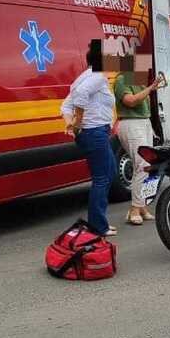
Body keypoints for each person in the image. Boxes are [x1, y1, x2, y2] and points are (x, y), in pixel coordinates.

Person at [61, 46, 117, 237]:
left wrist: (71, 124)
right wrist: (78, 120)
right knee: (102, 178)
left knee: (110, 172)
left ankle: (99, 222)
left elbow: (65, 105)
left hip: (93, 132)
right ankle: (98, 226)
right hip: (95, 133)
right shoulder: (97, 77)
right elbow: (81, 95)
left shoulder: (84, 76)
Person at [114, 69, 163, 225]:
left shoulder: (137, 79)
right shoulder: (122, 79)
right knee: (141, 164)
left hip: (143, 123)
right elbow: (130, 101)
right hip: (131, 123)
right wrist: (151, 88)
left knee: (145, 165)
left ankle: (141, 206)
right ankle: (135, 208)